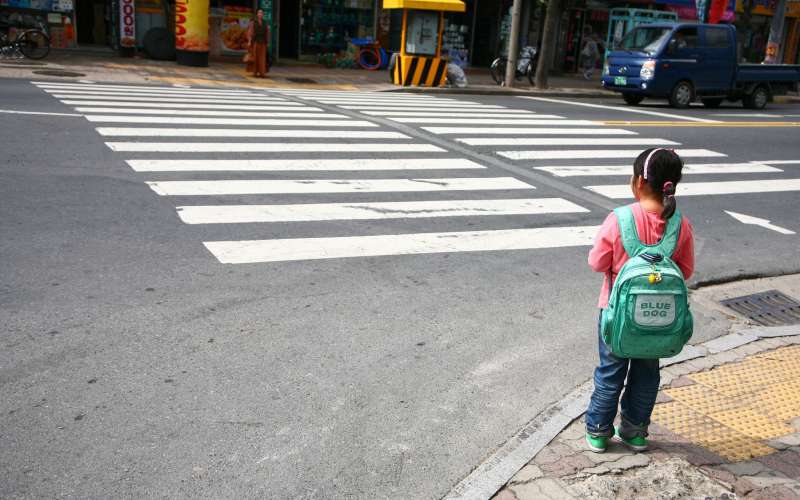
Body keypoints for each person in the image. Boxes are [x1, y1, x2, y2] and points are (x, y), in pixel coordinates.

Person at [584, 148, 695, 453]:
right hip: (659, 320)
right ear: (672, 185)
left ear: (637, 182)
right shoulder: (680, 224)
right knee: (647, 374)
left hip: (615, 313)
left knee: (610, 371)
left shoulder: (619, 219)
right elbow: (684, 270)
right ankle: (635, 433)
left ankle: (598, 432)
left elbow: (597, 262)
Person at [247, 9, 270, 78]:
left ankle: (262, 73)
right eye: (259, 13)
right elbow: (250, 32)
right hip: (255, 42)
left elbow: (267, 33)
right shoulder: (253, 22)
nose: (260, 14)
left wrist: (268, 42)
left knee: (262, 58)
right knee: (255, 57)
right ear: (257, 14)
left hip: (263, 42)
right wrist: (249, 41)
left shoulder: (265, 23)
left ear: (263, 15)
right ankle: (254, 72)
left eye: (261, 13)